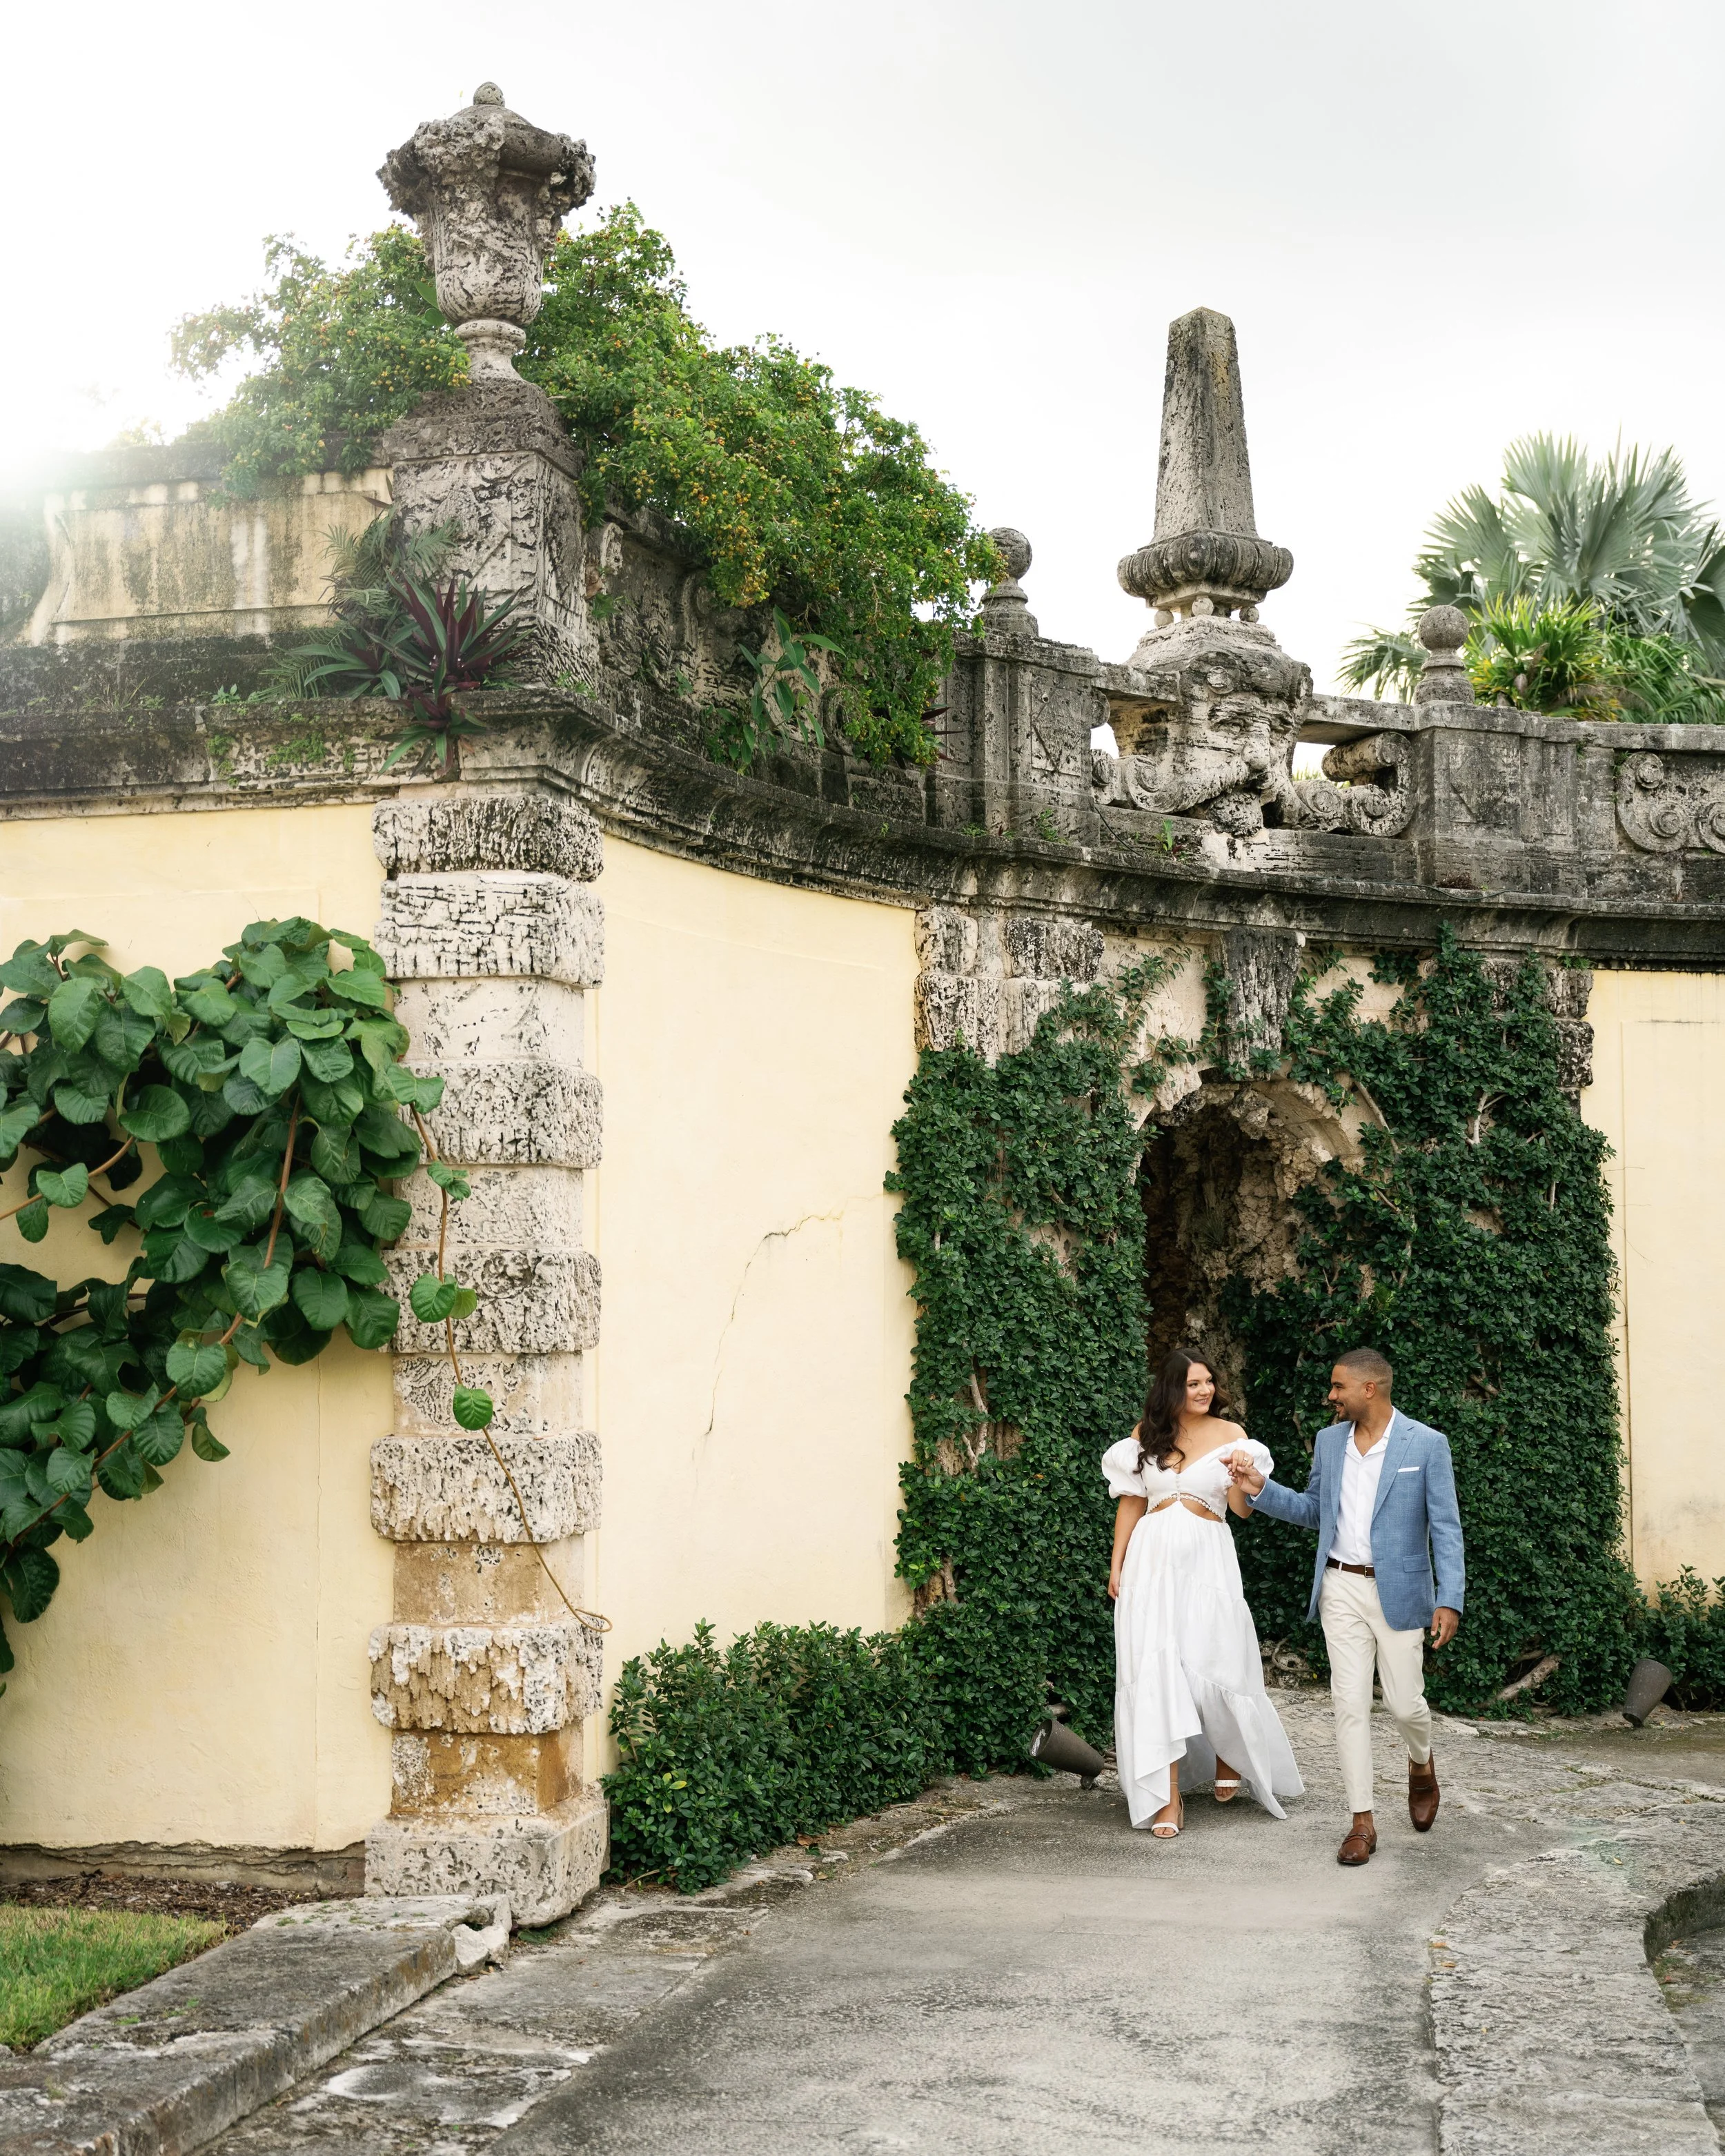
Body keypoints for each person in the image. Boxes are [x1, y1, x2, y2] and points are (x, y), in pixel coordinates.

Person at [1226, 1347, 1463, 1868]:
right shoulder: (1330, 1443)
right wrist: (1260, 1489)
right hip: (1339, 1586)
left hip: (1399, 1591)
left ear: (1369, 1389)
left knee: (1405, 1704)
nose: (1330, 1396)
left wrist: (1451, 1597)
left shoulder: (1426, 1443)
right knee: (1348, 1703)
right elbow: (1316, 1510)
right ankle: (1362, 1820)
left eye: (1338, 1387)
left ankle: (1421, 1762)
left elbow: (1446, 1527)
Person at [1103, 1349, 1304, 1838]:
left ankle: (1227, 1751)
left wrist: (1242, 1476)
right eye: (1194, 1383)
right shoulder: (1144, 1437)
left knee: (1214, 1657)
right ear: (1172, 1388)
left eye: (1209, 1381)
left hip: (1207, 1557)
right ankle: (1168, 1799)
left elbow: (1242, 1510)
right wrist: (1117, 1564)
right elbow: (1132, 1503)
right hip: (1150, 1561)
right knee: (1156, 1668)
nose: (1204, 1390)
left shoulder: (1234, 1436)